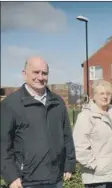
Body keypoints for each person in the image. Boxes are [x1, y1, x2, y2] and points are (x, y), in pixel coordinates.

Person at [0, 57, 76, 188]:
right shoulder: (10, 104)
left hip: (56, 179)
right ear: (24, 74)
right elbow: (3, 144)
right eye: (36, 72)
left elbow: (67, 136)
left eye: (44, 73)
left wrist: (69, 163)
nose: (40, 77)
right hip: (26, 181)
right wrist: (11, 175)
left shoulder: (57, 102)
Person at [73, 80, 112, 188]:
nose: (105, 97)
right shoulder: (86, 116)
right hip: (96, 178)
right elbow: (79, 146)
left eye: (108, 94)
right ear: (94, 96)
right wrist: (96, 166)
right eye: (101, 94)